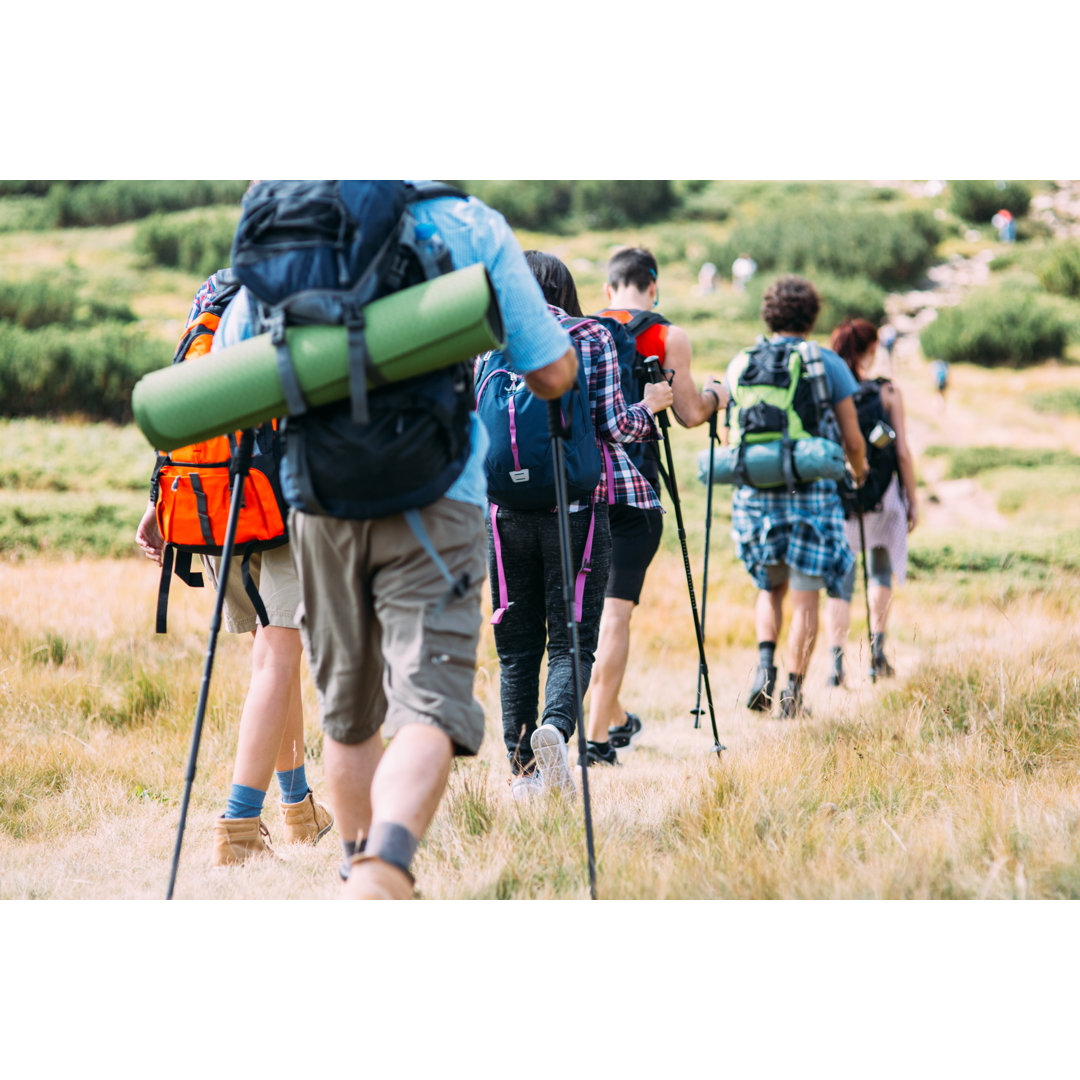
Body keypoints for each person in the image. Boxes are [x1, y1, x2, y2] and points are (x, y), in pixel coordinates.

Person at [215, 184, 581, 899]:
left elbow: (236, 371)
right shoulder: (465, 224)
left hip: (318, 502)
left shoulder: (287, 224)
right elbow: (552, 370)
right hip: (436, 497)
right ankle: (383, 870)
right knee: (428, 706)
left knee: (350, 718)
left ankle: (357, 865)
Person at [135, 269, 334, 867]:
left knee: (274, 652)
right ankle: (239, 828)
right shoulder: (308, 289)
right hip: (278, 504)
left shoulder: (215, 289)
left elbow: (184, 398)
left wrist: (156, 500)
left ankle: (299, 812)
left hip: (212, 501)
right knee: (278, 653)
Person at [483, 252, 673, 793]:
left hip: (502, 515)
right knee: (570, 640)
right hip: (574, 511)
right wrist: (652, 404)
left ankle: (522, 776)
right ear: (563, 289)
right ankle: (555, 728)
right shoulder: (590, 335)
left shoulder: (487, 339)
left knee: (516, 647)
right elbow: (616, 425)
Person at [587, 247, 726, 764]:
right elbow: (689, 414)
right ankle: (597, 740)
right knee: (616, 614)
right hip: (637, 489)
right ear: (653, 285)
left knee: (589, 614)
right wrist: (718, 395)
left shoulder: (586, 327)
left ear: (609, 288)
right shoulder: (668, 336)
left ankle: (614, 717)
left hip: (583, 487)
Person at [725, 276, 866, 718]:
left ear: (768, 313)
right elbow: (853, 438)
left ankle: (764, 667)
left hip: (757, 496)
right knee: (806, 596)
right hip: (811, 496)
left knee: (770, 588)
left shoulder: (741, 362)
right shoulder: (826, 363)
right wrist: (857, 475)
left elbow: (733, 435)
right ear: (812, 315)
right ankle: (792, 694)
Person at [824, 318, 919, 683]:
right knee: (881, 573)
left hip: (842, 500)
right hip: (883, 498)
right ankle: (877, 655)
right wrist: (912, 500)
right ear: (871, 349)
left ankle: (836, 666)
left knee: (840, 584)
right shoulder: (888, 391)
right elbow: (903, 452)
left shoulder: (831, 392)